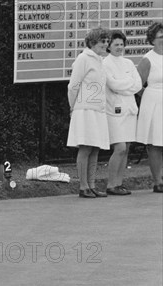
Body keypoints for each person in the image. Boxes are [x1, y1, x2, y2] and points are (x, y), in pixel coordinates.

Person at [67, 27, 110, 198]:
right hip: (84, 110)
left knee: (95, 148)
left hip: (98, 111)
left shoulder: (100, 60)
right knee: (85, 148)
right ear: (92, 42)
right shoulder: (83, 58)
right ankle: (83, 186)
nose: (105, 44)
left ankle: (92, 185)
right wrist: (73, 107)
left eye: (107, 41)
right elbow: (73, 86)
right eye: (102, 41)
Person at [103, 30, 142, 195]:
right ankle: (111, 184)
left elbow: (138, 85)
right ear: (109, 46)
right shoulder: (105, 63)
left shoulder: (129, 63)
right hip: (114, 111)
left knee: (126, 148)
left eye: (121, 44)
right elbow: (113, 85)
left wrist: (124, 85)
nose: (119, 47)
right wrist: (128, 84)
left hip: (130, 110)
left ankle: (119, 183)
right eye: (116, 44)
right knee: (118, 148)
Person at [136, 22, 163, 193]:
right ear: (152, 39)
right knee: (155, 144)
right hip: (154, 102)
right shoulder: (148, 59)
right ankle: (157, 181)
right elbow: (137, 85)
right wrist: (149, 96)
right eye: (161, 37)